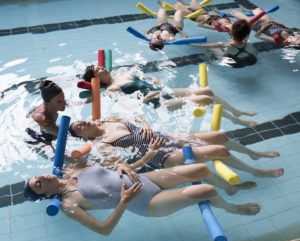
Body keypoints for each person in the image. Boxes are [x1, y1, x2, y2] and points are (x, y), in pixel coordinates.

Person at [24, 162, 262, 235]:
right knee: (205, 191)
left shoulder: (72, 169)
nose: (42, 179)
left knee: (199, 169)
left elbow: (107, 166)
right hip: (146, 202)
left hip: (146, 178)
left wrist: (120, 164)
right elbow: (104, 230)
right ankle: (232, 208)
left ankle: (230, 189)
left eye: (38, 177)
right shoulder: (68, 205)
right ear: (44, 194)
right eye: (39, 185)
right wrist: (124, 201)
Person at [68, 115, 283, 179]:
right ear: (81, 136)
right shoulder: (103, 146)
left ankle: (254, 154)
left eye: (81, 120)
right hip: (161, 155)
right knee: (220, 150)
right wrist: (152, 151)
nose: (83, 123)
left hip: (167, 136)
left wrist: (147, 126)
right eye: (79, 127)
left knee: (219, 135)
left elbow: (138, 117)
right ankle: (257, 172)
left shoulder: (108, 120)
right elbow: (128, 168)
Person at [82, 65, 258, 128]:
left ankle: (236, 112)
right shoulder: (112, 89)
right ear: (96, 79)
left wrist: (153, 78)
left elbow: (143, 79)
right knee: (206, 100)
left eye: (100, 67)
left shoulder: (120, 73)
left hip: (165, 91)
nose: (102, 68)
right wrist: (145, 98)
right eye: (97, 70)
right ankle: (237, 121)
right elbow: (128, 106)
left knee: (208, 92)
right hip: (160, 103)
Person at [190, 19, 257, 68]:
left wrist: (187, 43)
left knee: (209, 47)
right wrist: (227, 24)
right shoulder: (246, 39)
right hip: (251, 60)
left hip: (235, 64)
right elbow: (244, 28)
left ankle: (207, 60)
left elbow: (200, 46)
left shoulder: (224, 45)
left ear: (231, 32)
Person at [229, 5, 300, 48]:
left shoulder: (279, 40)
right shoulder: (292, 33)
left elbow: (257, 36)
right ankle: (248, 10)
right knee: (257, 9)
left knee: (234, 12)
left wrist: (263, 27)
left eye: (298, 41)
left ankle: (229, 14)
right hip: (268, 20)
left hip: (257, 25)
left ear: (294, 44)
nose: (298, 38)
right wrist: (274, 21)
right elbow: (283, 26)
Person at [163, 0, 234, 32]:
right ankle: (184, 5)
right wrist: (216, 14)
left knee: (179, 6)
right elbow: (223, 15)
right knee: (193, 1)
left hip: (196, 17)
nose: (226, 23)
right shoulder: (232, 22)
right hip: (206, 14)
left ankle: (180, 4)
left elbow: (199, 25)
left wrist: (205, 20)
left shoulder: (217, 28)